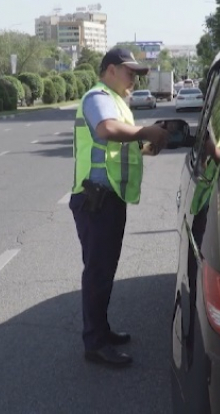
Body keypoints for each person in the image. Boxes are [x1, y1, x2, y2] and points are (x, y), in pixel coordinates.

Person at [69, 47, 169, 368]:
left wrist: (151, 143)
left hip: (110, 198)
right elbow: (106, 131)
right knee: (98, 272)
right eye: (130, 73)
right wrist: (145, 131)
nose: (134, 80)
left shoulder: (117, 103)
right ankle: (94, 343)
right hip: (94, 198)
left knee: (105, 271)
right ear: (110, 70)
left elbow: (128, 147)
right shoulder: (98, 97)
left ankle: (101, 330)